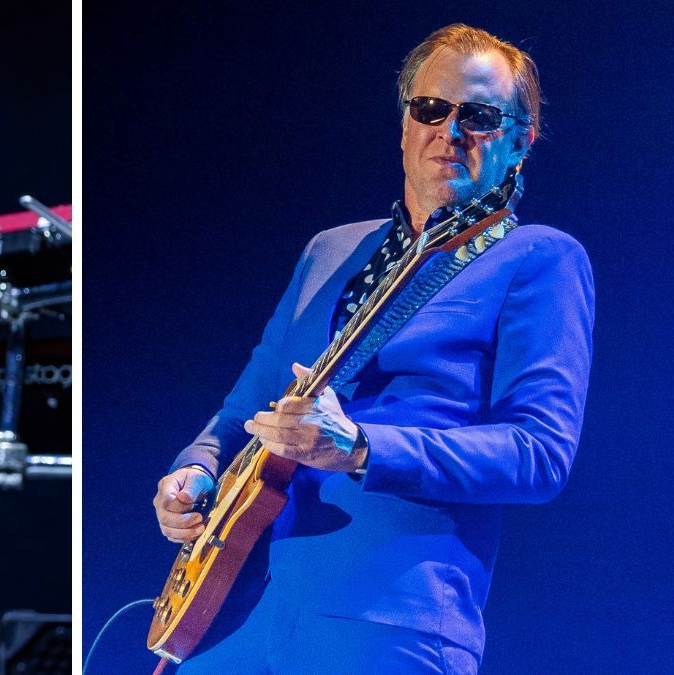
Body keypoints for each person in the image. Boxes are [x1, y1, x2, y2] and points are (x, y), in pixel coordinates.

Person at [152, 24, 594, 673]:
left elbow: (540, 453)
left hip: (384, 623)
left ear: (520, 142)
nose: (450, 131)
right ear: (405, 123)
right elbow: (242, 409)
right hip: (228, 616)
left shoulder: (540, 258)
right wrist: (194, 470)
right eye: (431, 109)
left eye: (479, 116)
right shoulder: (329, 249)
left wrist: (360, 447)